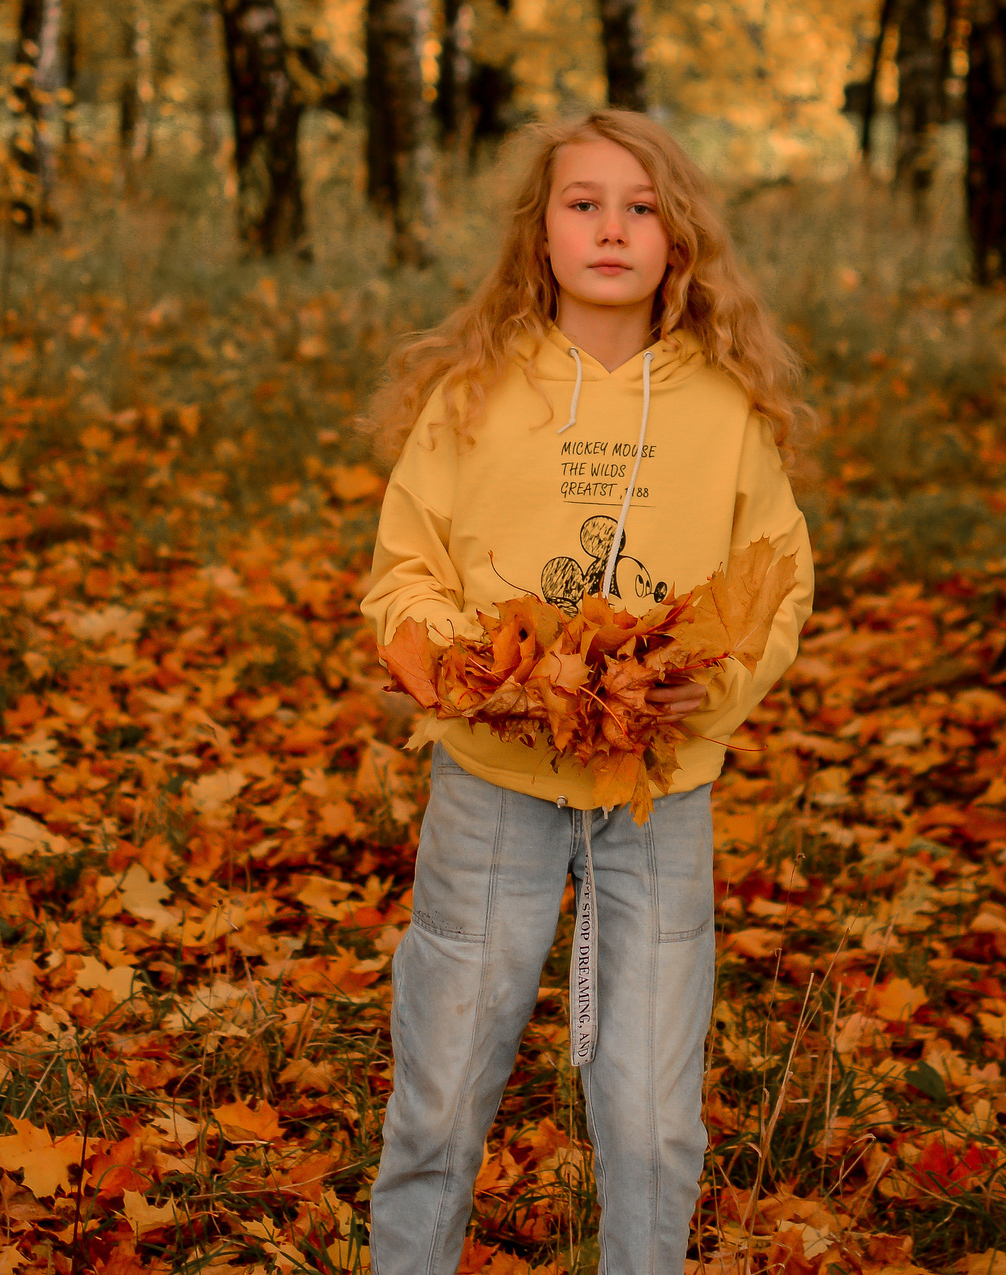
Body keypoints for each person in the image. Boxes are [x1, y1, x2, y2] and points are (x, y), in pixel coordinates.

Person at [359, 108, 815, 1275]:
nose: (612, 228)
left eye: (641, 206)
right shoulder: (473, 395)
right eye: (583, 203)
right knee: (443, 1086)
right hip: (493, 789)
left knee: (654, 1117)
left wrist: (689, 700)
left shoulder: (725, 408)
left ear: (678, 239)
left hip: (656, 797)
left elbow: (776, 586)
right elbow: (404, 571)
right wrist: (479, 674)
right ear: (542, 233)